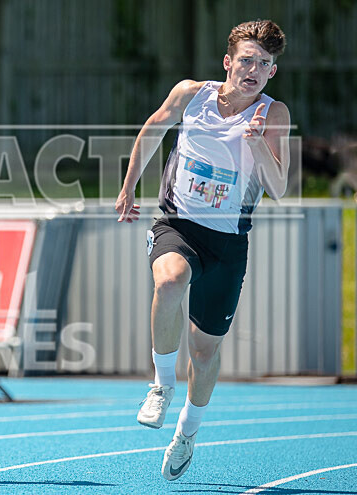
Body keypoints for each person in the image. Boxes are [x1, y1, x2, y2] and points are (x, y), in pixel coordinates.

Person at [115, 20, 290, 480]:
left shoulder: (272, 115)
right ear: (228, 62)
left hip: (229, 241)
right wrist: (129, 186)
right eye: (247, 60)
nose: (253, 70)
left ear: (272, 72)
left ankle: (188, 432)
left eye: (265, 64)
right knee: (170, 280)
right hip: (178, 222)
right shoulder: (190, 94)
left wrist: (258, 146)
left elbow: (281, 188)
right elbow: (152, 131)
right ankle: (160, 384)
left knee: (205, 352)